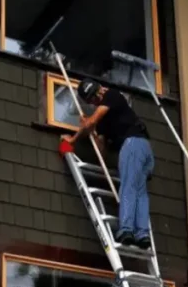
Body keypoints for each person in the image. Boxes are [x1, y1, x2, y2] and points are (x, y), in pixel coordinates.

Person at [60, 80, 154, 249]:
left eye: (94, 99)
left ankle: (126, 230)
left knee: (128, 187)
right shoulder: (104, 120)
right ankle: (142, 234)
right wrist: (90, 132)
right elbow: (100, 144)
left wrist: (73, 139)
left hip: (133, 145)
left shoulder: (112, 95)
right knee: (139, 191)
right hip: (144, 149)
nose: (95, 102)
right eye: (92, 101)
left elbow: (92, 121)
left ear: (99, 92)